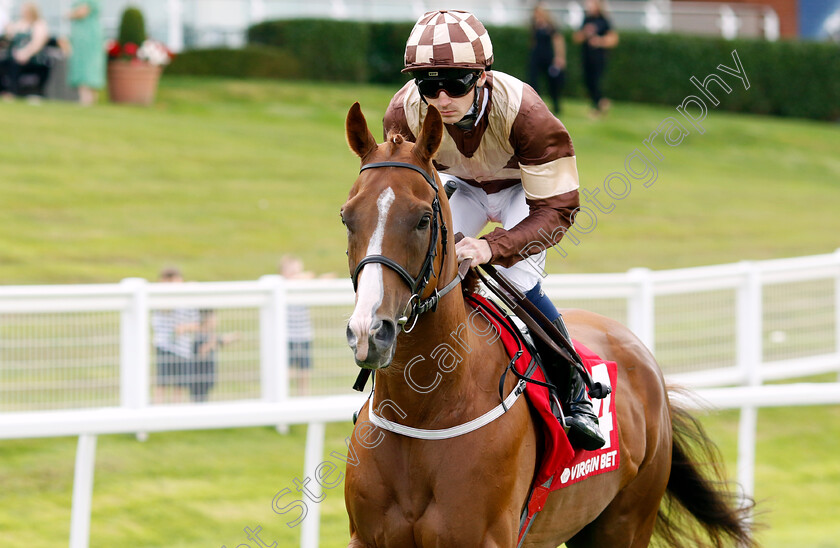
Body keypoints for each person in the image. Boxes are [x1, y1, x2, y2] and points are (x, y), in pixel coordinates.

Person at [384, 10, 604, 450]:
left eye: (455, 83)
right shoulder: (403, 112)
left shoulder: (527, 113)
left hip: (524, 193)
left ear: (482, 76)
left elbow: (559, 209)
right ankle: (389, 388)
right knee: (422, 266)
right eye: (429, 85)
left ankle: (575, 391)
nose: (442, 98)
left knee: (516, 277)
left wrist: (491, 248)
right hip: (461, 187)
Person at [151, 267, 200, 403]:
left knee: (180, 384)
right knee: (162, 382)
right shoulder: (160, 297)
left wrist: (184, 327)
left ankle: (176, 411)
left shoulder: (189, 300)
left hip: (183, 348)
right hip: (164, 345)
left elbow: (197, 324)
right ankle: (158, 410)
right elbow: (165, 308)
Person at [573, 0, 619, 118]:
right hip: (586, 56)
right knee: (587, 82)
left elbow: (613, 39)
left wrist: (599, 41)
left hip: (599, 57)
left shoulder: (603, 21)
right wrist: (585, 33)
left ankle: (596, 109)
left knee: (596, 82)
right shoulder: (586, 19)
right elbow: (576, 38)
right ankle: (602, 102)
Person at [0, 1, 49, 100]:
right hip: (16, 56)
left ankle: (13, 92)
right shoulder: (19, 23)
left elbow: (37, 43)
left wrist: (25, 54)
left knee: (15, 64)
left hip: (34, 59)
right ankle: (4, 90)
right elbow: (10, 35)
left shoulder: (39, 24)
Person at [280, 255, 314, 395]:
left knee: (304, 369)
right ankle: (284, 394)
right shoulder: (282, 285)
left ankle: (303, 396)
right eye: (294, 271)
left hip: (304, 334)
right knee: (288, 368)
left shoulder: (302, 286)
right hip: (289, 335)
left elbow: (311, 278)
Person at [190, 309, 238, 402]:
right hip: (199, 379)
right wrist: (211, 343)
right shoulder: (199, 335)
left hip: (207, 377)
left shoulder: (211, 335)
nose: (216, 320)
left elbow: (222, 340)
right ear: (207, 320)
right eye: (214, 318)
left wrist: (233, 337)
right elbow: (201, 352)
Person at [528, 2, 566, 114]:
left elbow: (558, 41)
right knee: (533, 80)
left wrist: (559, 57)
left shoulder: (551, 27)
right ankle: (534, 104)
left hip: (548, 57)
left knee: (552, 82)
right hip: (536, 57)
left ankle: (556, 105)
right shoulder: (534, 25)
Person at [67, 0, 104, 106]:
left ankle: (86, 101)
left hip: (87, 36)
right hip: (84, 35)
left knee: (86, 66)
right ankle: (89, 102)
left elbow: (82, 12)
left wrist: (68, 14)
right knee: (88, 66)